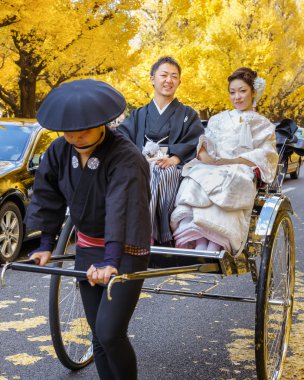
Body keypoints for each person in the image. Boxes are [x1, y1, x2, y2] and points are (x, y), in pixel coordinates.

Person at [25, 79, 151, 380]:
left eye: (84, 130)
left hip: (126, 249)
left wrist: (110, 260)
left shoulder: (125, 156)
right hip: (87, 247)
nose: (76, 136)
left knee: (110, 333)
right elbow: (47, 194)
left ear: (102, 123)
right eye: (69, 131)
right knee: (97, 334)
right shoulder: (58, 151)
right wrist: (45, 243)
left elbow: (122, 206)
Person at [171, 67, 279, 254]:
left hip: (242, 168)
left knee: (233, 180)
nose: (237, 97)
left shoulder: (264, 124)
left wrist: (235, 161)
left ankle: (217, 242)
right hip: (214, 166)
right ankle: (196, 236)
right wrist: (205, 155)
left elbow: (266, 154)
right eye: (232, 92)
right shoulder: (218, 119)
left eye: (242, 91)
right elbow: (207, 144)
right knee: (194, 175)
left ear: (253, 92)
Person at [119, 56, 204, 244]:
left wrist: (175, 157)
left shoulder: (188, 115)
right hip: (140, 164)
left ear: (179, 82)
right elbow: (122, 138)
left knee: (159, 171)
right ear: (152, 79)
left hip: (172, 167)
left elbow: (195, 141)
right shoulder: (138, 114)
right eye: (164, 75)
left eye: (174, 76)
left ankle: (148, 232)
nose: (169, 80)